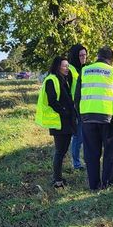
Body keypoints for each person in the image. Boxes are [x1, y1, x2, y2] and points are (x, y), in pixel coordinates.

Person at [74, 46, 113, 190]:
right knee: (110, 153)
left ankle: (94, 186)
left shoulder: (85, 71)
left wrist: (80, 115)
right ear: (111, 59)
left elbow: (77, 96)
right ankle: (107, 185)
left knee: (91, 154)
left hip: (87, 118)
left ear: (98, 56)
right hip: (108, 120)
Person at [35, 56, 77, 188]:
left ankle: (59, 178)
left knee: (63, 151)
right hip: (59, 122)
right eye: (65, 66)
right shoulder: (51, 80)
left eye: (68, 66)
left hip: (65, 121)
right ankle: (57, 180)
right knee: (60, 151)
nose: (67, 68)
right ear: (58, 66)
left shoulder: (63, 79)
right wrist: (64, 112)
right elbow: (52, 101)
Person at [67, 44, 88, 170]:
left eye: (85, 55)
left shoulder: (85, 69)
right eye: (80, 55)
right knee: (77, 136)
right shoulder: (70, 70)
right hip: (75, 108)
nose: (83, 58)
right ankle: (76, 164)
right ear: (75, 56)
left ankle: (80, 161)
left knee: (83, 136)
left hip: (85, 107)